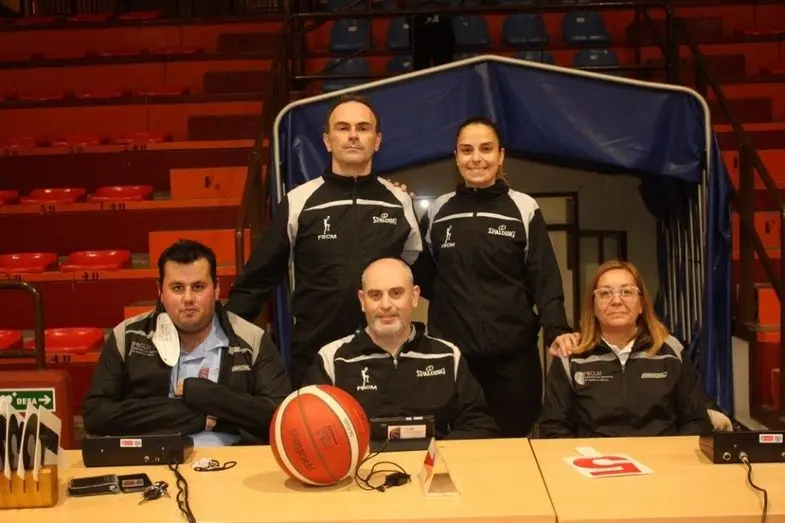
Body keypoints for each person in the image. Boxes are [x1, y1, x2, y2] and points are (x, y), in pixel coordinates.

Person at [227, 94, 422, 389]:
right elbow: (257, 280)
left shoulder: (399, 201)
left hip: (386, 356)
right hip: (315, 358)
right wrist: (220, 338)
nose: (353, 135)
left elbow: (419, 269)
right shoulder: (298, 202)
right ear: (328, 141)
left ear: (377, 141)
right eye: (343, 127)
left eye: (363, 128)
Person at [413, 117, 571, 438]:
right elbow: (422, 275)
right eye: (466, 150)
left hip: (514, 361)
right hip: (454, 358)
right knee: (457, 447)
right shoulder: (439, 211)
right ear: (456, 157)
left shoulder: (524, 207)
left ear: (501, 156)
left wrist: (557, 331)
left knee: (514, 446)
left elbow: (545, 278)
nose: (476, 158)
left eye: (486, 149)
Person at [82, 240, 292, 446]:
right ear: (160, 291)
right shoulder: (127, 336)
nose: (188, 298)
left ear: (216, 288)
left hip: (233, 459)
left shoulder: (252, 339)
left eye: (198, 287)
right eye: (177, 288)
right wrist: (198, 417)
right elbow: (96, 415)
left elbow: (282, 416)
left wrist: (213, 396)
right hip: (153, 458)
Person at [303, 258, 498, 440]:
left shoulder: (447, 355)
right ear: (362, 301)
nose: (386, 305)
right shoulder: (332, 359)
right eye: (375, 295)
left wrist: (436, 455)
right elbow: (309, 430)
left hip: (433, 462)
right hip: (361, 465)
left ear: (414, 297)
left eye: (396, 293)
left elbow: (479, 425)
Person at [537, 260, 711, 438]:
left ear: (641, 304)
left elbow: (696, 421)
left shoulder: (671, 352)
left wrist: (670, 453)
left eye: (626, 292)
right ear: (593, 306)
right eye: (605, 293)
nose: (616, 301)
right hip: (593, 455)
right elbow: (553, 428)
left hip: (661, 453)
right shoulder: (571, 356)